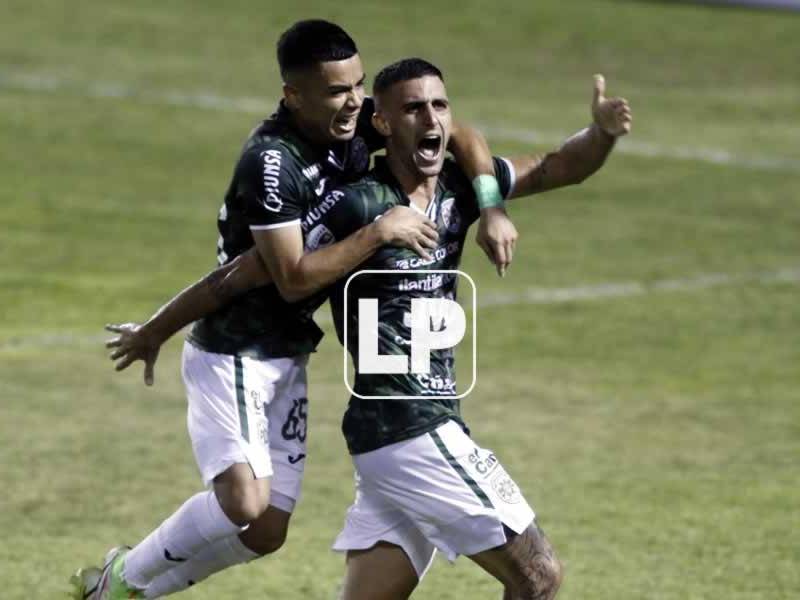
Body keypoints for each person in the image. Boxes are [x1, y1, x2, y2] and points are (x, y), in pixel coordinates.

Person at [71, 20, 517, 600]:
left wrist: (491, 205)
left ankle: (130, 593)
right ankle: (121, 577)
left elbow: (463, 135)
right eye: (337, 91)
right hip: (235, 348)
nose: (354, 102)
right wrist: (378, 231)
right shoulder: (271, 162)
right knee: (244, 501)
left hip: (288, 353)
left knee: (266, 532)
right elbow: (287, 277)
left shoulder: (352, 127)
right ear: (294, 95)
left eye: (358, 86)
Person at [275, 58, 631, 599]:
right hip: (408, 427)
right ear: (382, 122)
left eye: (439, 106)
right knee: (538, 575)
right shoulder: (358, 203)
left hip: (394, 435)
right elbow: (284, 274)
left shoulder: (459, 190)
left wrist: (601, 133)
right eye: (413, 109)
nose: (431, 119)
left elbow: (559, 166)